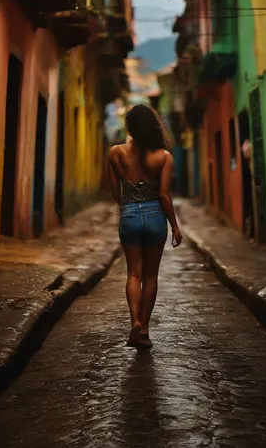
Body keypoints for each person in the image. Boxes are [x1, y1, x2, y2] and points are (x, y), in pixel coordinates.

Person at [108, 104, 183, 349]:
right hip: (155, 217)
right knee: (150, 276)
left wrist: (128, 207)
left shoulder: (115, 153)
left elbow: (114, 192)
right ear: (153, 126)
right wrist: (175, 226)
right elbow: (164, 195)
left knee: (133, 273)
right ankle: (145, 329)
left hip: (129, 214)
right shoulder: (163, 157)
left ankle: (135, 322)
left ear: (129, 127)